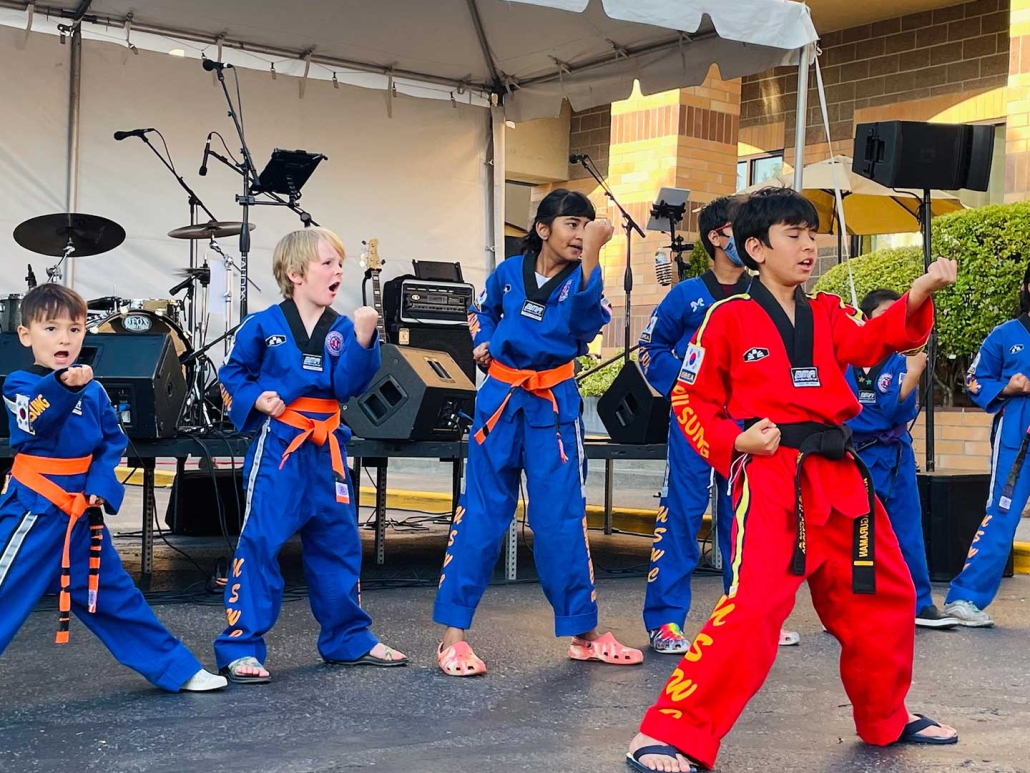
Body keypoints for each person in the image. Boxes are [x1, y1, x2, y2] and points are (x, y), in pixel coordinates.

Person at [626, 188, 958, 773]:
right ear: (754, 247)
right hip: (774, 477)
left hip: (841, 477)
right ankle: (670, 732)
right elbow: (689, 396)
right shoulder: (725, 317)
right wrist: (735, 443)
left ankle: (885, 716)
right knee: (753, 609)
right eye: (793, 234)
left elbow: (870, 343)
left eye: (811, 234)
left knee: (883, 596)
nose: (808, 246)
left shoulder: (830, 311)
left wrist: (918, 293)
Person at [433, 188, 642, 676]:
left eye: (586, 225)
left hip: (553, 407)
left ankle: (583, 631)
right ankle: (452, 637)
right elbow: (481, 311)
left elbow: (587, 321)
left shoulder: (585, 279)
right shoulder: (508, 273)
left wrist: (593, 254)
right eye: (572, 224)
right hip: (501, 403)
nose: (580, 233)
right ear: (543, 229)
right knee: (481, 513)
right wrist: (482, 342)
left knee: (559, 519)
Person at [0, 284, 226, 693]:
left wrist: (101, 484)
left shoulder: (96, 390)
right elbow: (35, 421)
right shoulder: (20, 384)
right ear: (26, 335)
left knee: (116, 596)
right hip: (35, 509)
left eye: (74, 328)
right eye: (51, 328)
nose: (64, 338)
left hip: (81, 513)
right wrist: (64, 388)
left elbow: (111, 442)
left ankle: (175, 668)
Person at [214, 227, 407, 683]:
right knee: (261, 540)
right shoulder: (262, 325)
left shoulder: (343, 329)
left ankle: (347, 639)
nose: (337, 271)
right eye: (327, 263)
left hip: (329, 442)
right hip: (281, 442)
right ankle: (240, 645)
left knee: (337, 541)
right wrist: (258, 399)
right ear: (294, 273)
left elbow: (348, 387)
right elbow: (231, 376)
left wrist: (364, 339)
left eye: (340, 264)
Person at [639, 195, 799, 654]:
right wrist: (687, 393)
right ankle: (666, 622)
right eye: (739, 229)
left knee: (749, 519)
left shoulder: (763, 295)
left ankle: (750, 614)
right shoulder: (686, 295)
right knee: (682, 517)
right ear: (717, 237)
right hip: (695, 423)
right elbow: (651, 350)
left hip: (751, 424)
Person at [845, 289, 957, 629]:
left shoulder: (900, 358)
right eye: (885, 316)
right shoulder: (846, 358)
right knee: (856, 533)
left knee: (907, 528)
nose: (893, 323)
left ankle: (920, 602)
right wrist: (910, 377)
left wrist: (912, 373)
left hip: (893, 456)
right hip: (854, 456)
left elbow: (895, 409)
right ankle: (850, 605)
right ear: (866, 320)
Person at [944, 263, 1030, 627]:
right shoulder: (1006, 333)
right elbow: (976, 378)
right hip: (1018, 436)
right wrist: (1009, 387)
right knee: (1002, 514)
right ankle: (965, 599)